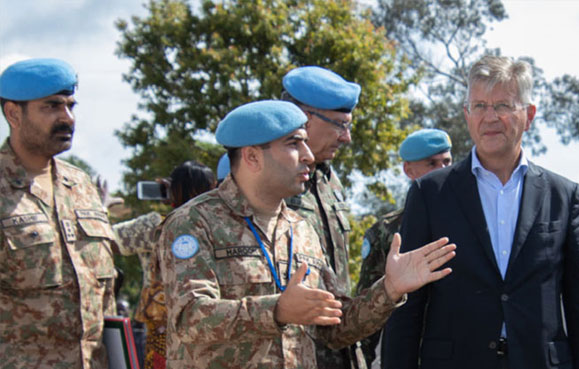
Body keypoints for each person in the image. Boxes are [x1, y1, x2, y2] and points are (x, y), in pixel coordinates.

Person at [157, 100, 456, 368]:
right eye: (293, 144)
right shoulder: (194, 222)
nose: (309, 156)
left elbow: (335, 328)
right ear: (252, 157)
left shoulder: (301, 229)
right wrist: (277, 310)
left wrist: (390, 289)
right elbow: (188, 318)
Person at [383, 55, 579, 369]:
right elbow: (407, 308)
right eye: (479, 106)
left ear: (528, 115)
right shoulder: (430, 194)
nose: (490, 117)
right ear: (466, 114)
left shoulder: (564, 196)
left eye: (503, 105)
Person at [0, 58, 118, 368]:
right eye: (51, 107)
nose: (67, 118)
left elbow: (103, 293)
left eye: (70, 106)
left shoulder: (80, 184)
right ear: (14, 113)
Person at [281, 66, 362, 368]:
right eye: (340, 125)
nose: (347, 137)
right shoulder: (269, 178)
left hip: (341, 348)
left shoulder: (329, 180)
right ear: (306, 118)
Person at [356, 128, 453, 368]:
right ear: (409, 170)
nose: (442, 170)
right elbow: (367, 302)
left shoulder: (471, 221)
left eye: (447, 161)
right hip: (403, 351)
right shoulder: (386, 231)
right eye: (431, 163)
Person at [131, 160, 216, 369]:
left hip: (164, 324)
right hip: (206, 323)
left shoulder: (154, 224)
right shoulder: (218, 226)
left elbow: (110, 239)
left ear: (173, 189)